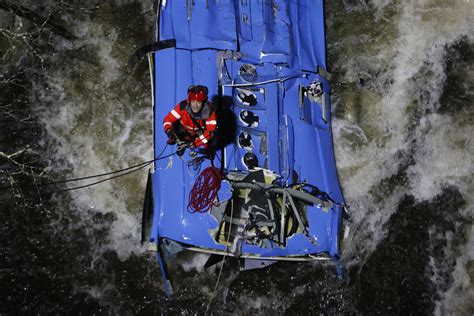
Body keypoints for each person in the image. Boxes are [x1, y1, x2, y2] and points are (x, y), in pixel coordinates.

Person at [163, 85, 217, 156]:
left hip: (199, 133)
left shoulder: (210, 112)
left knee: (212, 141)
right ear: (189, 100)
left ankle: (206, 150)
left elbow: (209, 133)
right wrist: (168, 130)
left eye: (198, 102)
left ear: (203, 102)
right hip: (184, 130)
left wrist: (195, 143)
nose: (195, 105)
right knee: (175, 127)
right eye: (193, 101)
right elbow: (168, 119)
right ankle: (181, 143)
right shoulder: (182, 106)